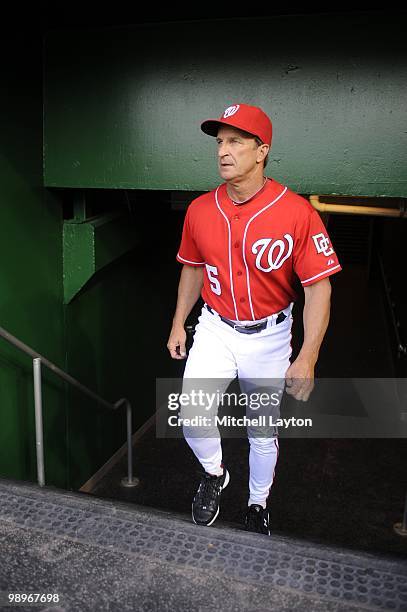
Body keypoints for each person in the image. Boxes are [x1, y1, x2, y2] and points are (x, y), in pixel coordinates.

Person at [167, 103, 342, 535]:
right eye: (220, 142)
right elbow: (191, 266)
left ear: (261, 151)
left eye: (236, 142)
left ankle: (257, 504)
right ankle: (214, 474)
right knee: (192, 412)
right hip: (215, 328)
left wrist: (307, 356)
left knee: (261, 432)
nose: (223, 151)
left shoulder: (297, 212)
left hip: (269, 337)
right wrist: (177, 322)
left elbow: (318, 286)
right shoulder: (200, 209)